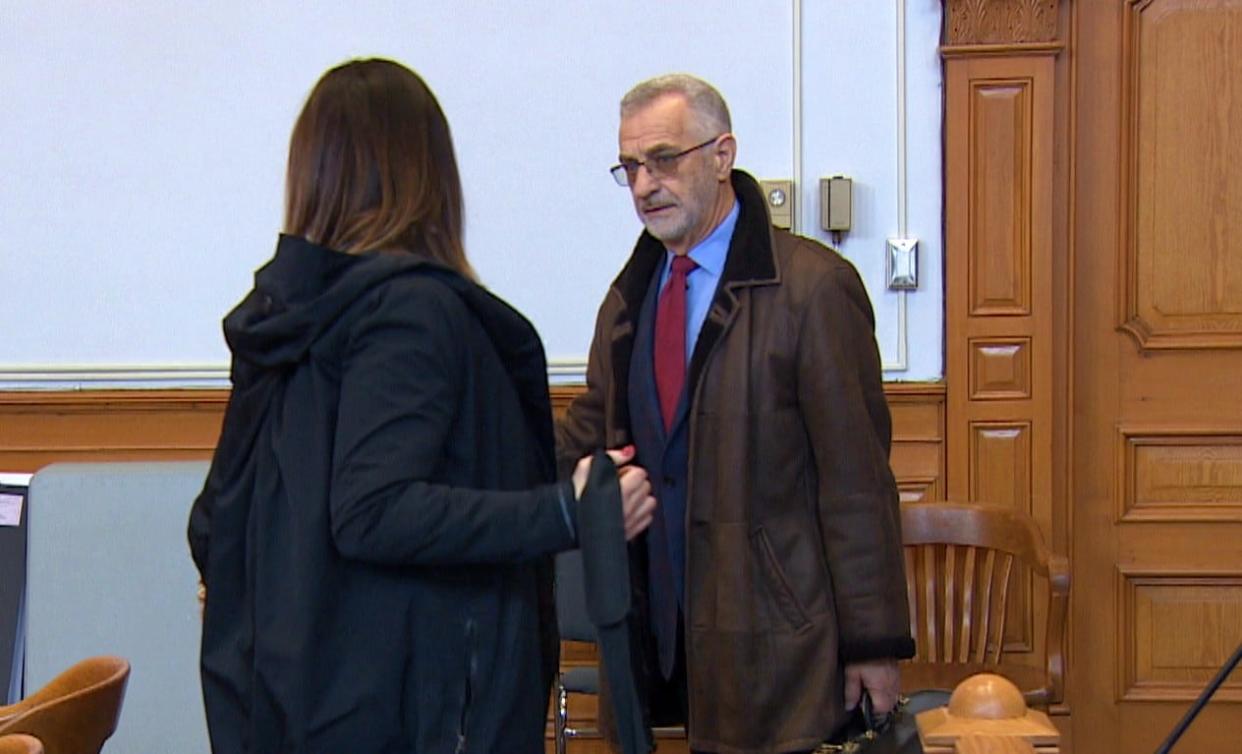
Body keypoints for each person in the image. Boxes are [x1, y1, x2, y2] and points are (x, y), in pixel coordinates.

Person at [187, 58, 655, 754]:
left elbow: (213, 525)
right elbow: (373, 510)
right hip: (410, 715)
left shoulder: (288, 319)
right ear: (428, 170)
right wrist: (567, 510)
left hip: (293, 704)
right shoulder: (410, 312)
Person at [557, 74, 915, 754]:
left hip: (778, 642)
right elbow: (589, 432)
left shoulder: (812, 290)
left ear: (722, 155)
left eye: (664, 160)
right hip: (658, 629)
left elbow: (857, 484)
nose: (643, 186)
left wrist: (874, 642)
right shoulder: (630, 299)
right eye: (630, 167)